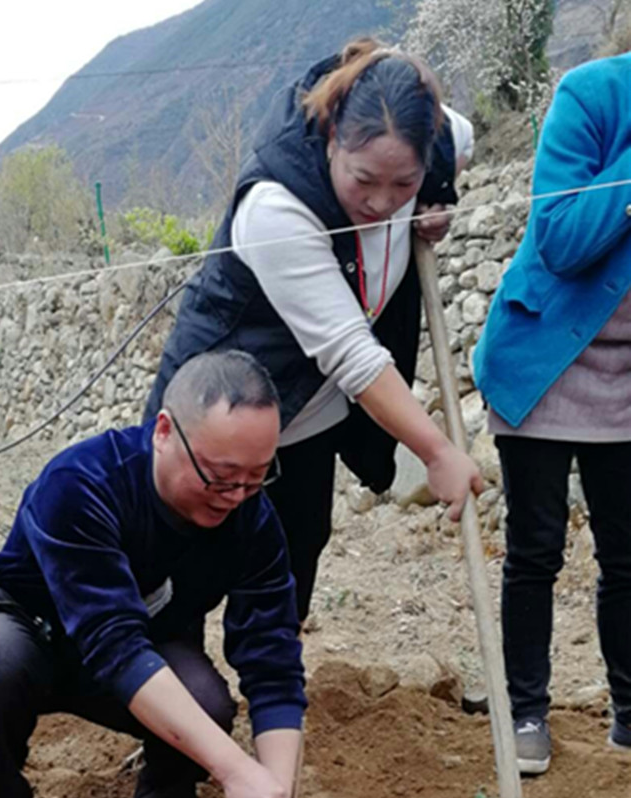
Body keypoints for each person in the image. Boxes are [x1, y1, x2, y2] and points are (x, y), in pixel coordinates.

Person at [0, 351, 306, 798]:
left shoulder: (252, 521)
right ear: (164, 431)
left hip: (142, 644)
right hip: (32, 629)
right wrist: (235, 770)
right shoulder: (82, 482)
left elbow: (273, 663)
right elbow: (112, 643)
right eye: (220, 477)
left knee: (207, 701)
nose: (235, 497)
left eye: (256, 478)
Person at [144, 37, 482, 622]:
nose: (381, 202)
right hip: (218, 411)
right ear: (331, 138)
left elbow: (458, 144)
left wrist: (435, 197)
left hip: (307, 412)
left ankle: (273, 670)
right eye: (364, 179)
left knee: (290, 563)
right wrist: (436, 451)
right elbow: (351, 354)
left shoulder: (438, 134)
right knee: (184, 572)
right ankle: (155, 662)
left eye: (403, 183)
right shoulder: (276, 206)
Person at [473, 51, 631, 775]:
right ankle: (526, 711)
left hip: (625, 379)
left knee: (627, 555)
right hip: (545, 362)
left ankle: (628, 713)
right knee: (536, 549)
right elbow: (562, 240)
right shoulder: (592, 94)